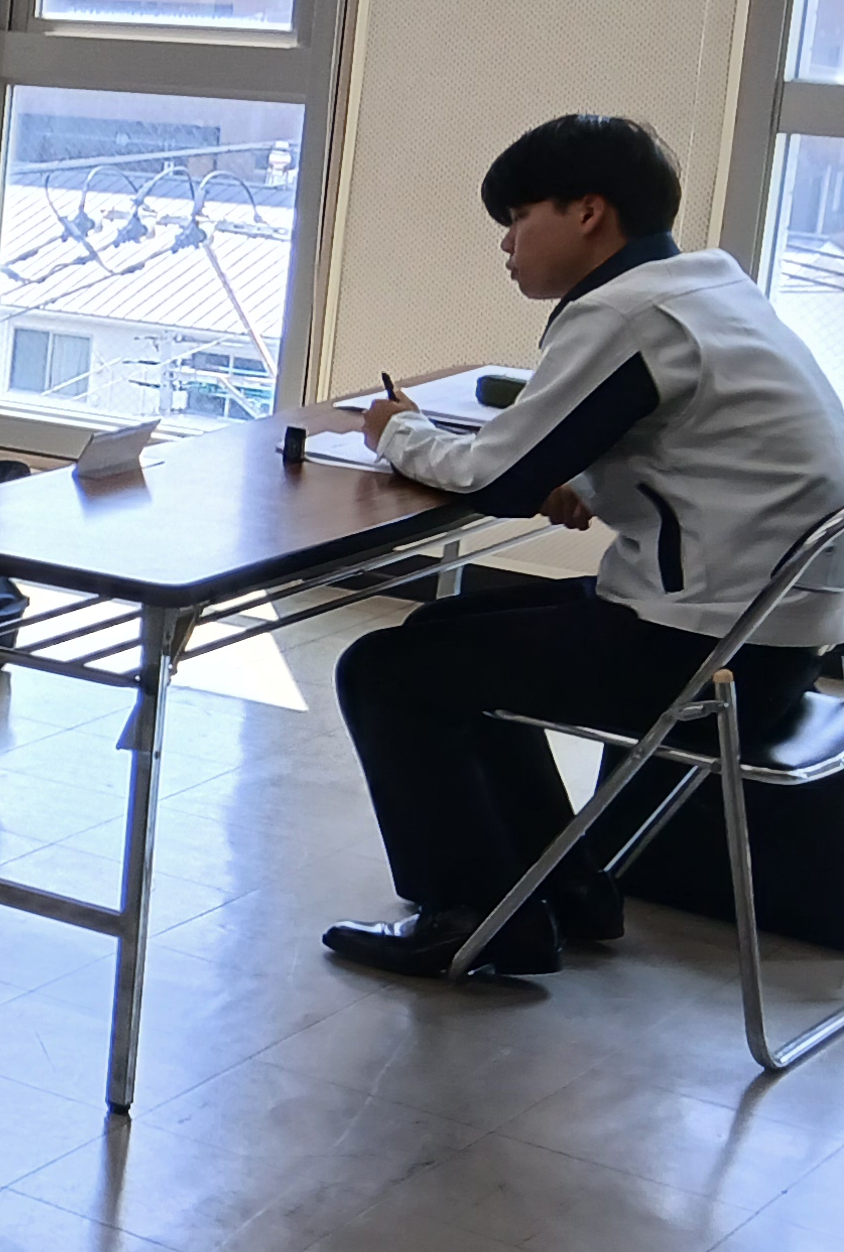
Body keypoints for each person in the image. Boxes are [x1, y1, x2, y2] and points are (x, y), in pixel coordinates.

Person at [325, 113, 844, 978]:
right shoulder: (708, 288)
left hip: (704, 649)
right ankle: (563, 889)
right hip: (776, 636)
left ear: (589, 212)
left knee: (384, 670)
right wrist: (584, 480)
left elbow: (498, 478)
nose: (506, 244)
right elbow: (682, 442)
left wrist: (396, 431)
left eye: (519, 217)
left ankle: (474, 920)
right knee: (438, 636)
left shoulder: (629, 312)